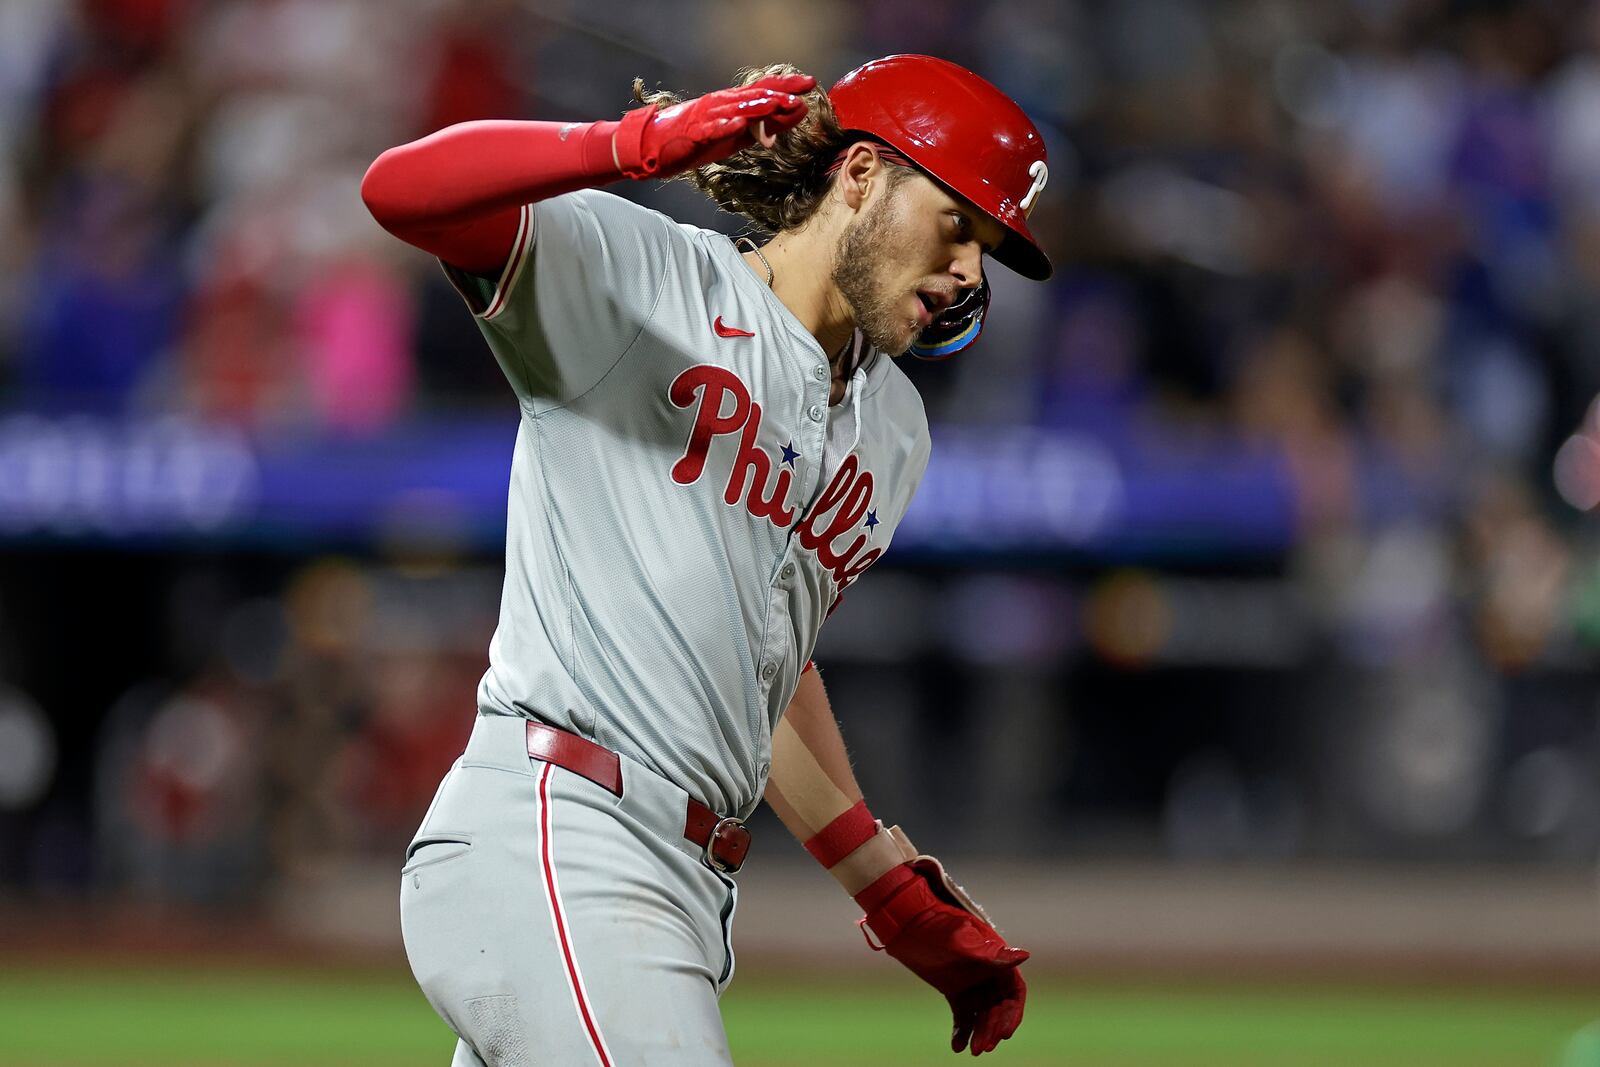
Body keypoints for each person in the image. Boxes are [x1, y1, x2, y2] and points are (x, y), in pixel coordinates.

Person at [361, 53, 1050, 1065]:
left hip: (683, 884)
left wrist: (884, 885)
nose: (968, 273)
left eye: (985, 248)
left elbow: (761, 652)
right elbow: (400, 190)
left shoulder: (893, 431)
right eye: (957, 225)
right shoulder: (650, 278)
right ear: (859, 175)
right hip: (559, 828)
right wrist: (625, 147)